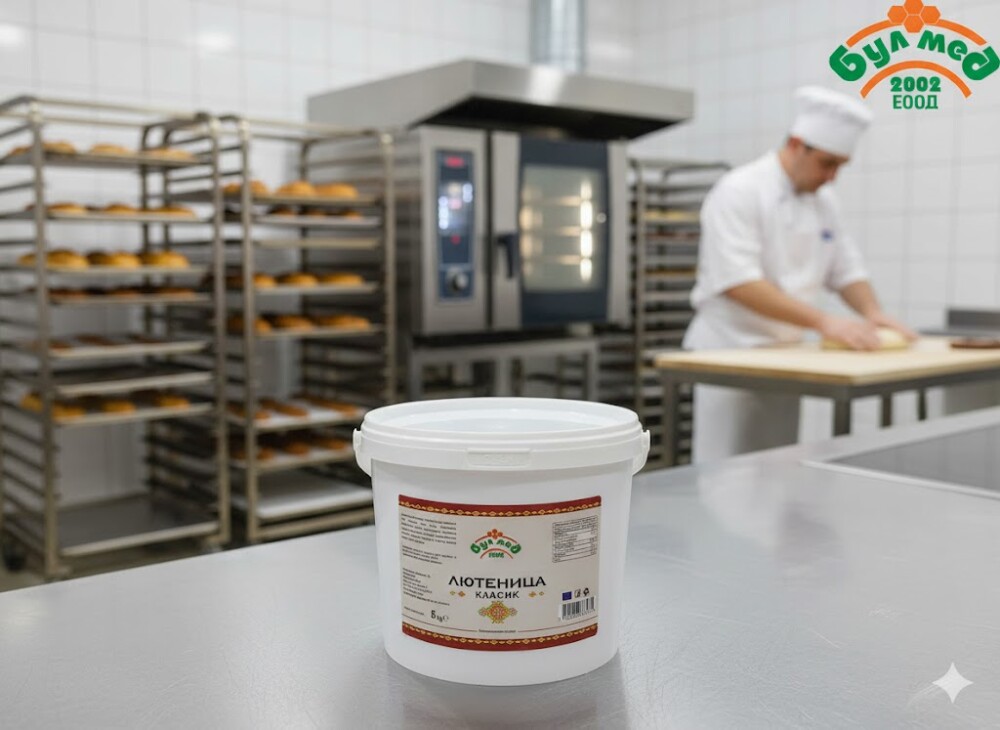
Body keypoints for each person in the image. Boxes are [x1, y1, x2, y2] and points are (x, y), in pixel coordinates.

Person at [683, 86, 916, 463]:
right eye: (827, 163)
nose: (832, 177)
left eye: (840, 166)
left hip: (785, 354)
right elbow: (738, 283)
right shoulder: (740, 190)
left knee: (777, 466)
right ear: (796, 144)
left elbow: (846, 268)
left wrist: (872, 312)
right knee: (725, 470)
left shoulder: (824, 202)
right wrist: (826, 322)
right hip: (732, 353)